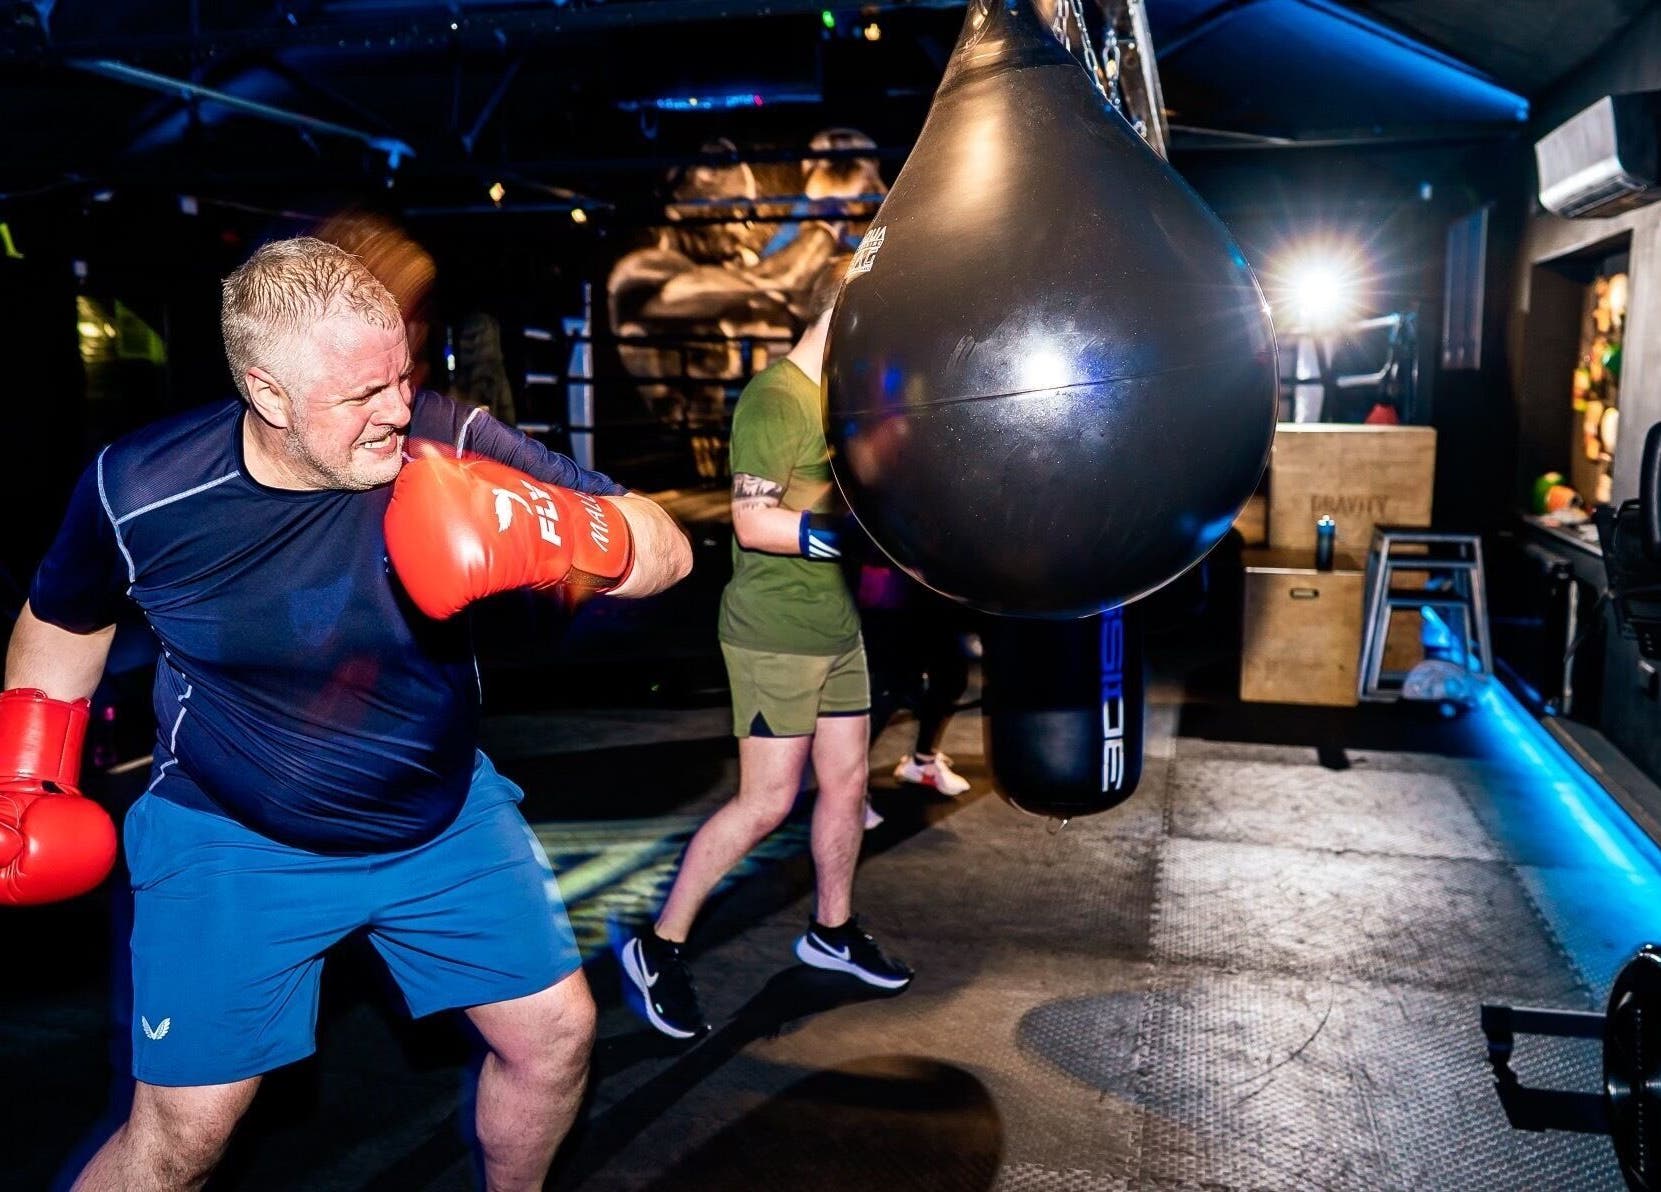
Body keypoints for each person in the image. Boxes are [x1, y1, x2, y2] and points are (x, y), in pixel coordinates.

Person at [2, 236, 692, 1192]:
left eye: (401, 378)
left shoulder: (444, 440)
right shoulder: (143, 490)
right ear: (269, 394)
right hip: (235, 833)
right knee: (182, 1138)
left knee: (556, 1037)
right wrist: (25, 774)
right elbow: (61, 620)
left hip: (441, 815)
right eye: (361, 397)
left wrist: (567, 529)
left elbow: (668, 549)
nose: (396, 410)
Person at [619, 254, 911, 1041]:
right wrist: (851, 536)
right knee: (766, 803)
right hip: (773, 632)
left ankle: (831, 929)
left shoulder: (842, 406)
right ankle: (659, 943)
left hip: (834, 627)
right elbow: (753, 522)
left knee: (847, 786)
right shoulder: (775, 398)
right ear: (838, 313)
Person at [855, 556, 973, 797]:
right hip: (894, 581)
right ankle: (851, 786)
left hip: (933, 582)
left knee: (951, 676)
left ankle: (922, 762)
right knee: (891, 686)